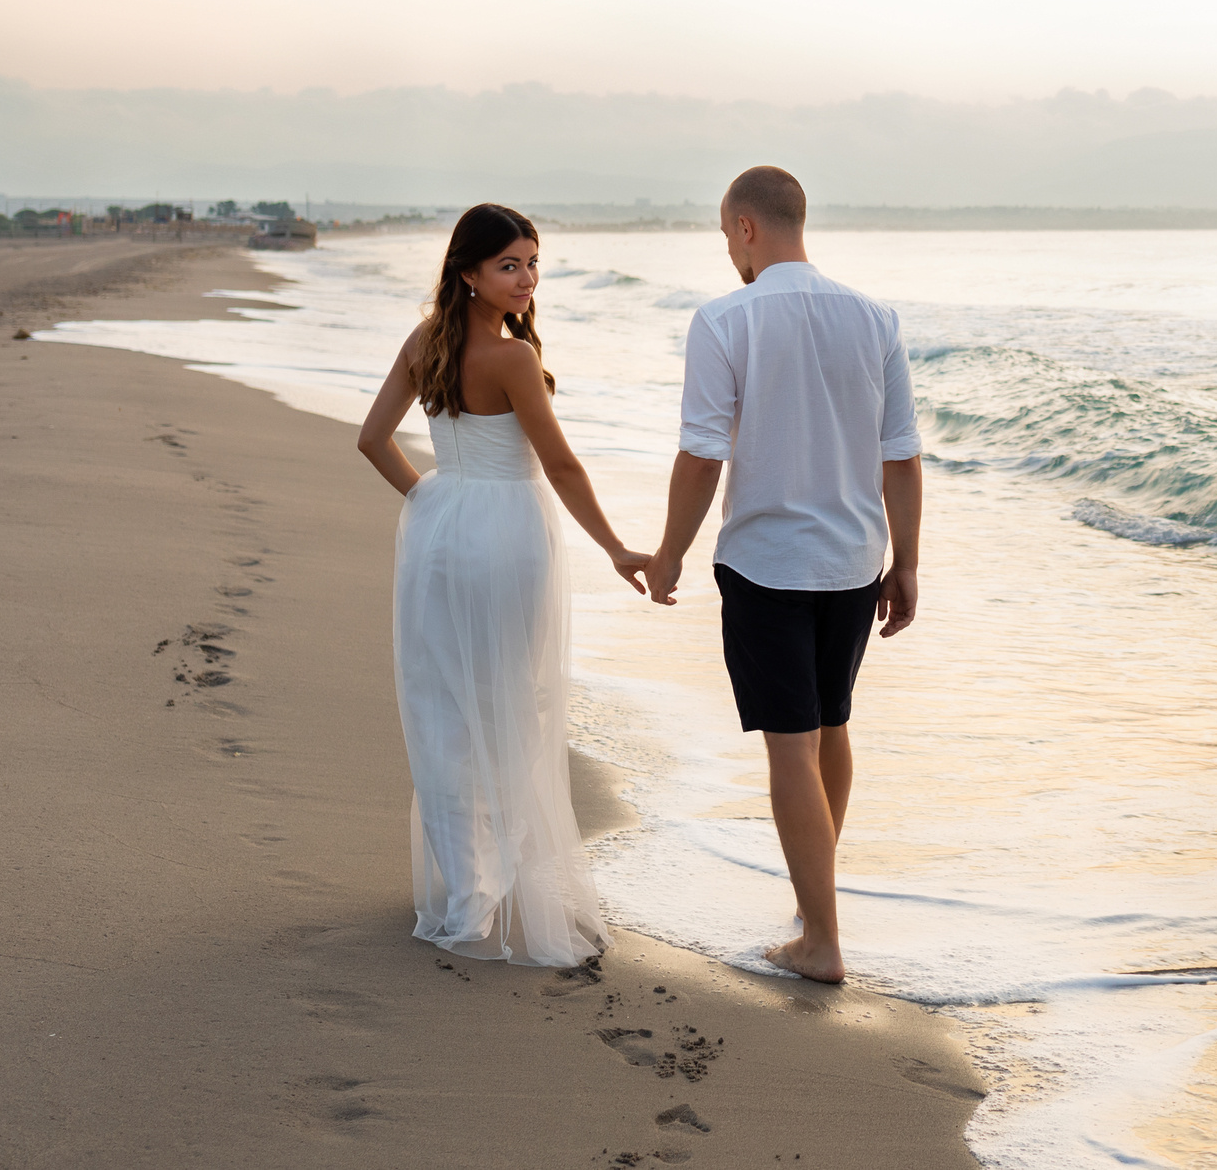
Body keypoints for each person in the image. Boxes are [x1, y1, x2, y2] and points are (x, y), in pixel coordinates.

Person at [642, 165, 922, 984]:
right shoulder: (875, 317)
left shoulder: (726, 318)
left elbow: (701, 455)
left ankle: (822, 941)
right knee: (831, 726)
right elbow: (899, 456)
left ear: (743, 226)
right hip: (851, 562)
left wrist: (670, 552)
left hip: (766, 562)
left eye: (725, 233)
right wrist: (907, 563)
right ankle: (814, 902)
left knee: (791, 748)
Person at [355, 202, 650, 967]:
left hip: (439, 526)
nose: (526, 278)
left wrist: (430, 497)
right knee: (513, 700)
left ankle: (467, 891)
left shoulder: (426, 344)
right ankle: (501, 874)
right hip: (510, 532)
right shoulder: (514, 359)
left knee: (442, 703)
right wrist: (618, 547)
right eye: (509, 265)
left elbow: (372, 438)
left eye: (531, 262)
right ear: (469, 273)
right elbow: (561, 465)